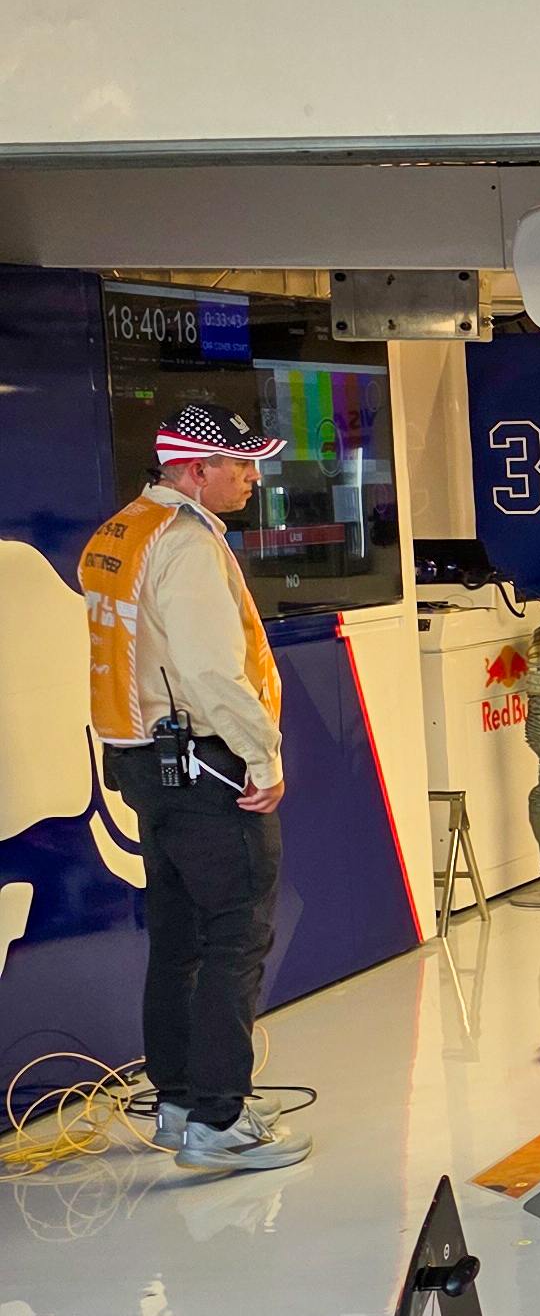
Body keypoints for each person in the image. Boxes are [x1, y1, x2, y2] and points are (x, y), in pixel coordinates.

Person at [78, 401, 309, 1178]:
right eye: (239, 465)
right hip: (206, 765)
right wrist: (264, 755)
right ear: (192, 468)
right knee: (234, 938)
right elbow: (212, 672)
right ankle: (219, 1119)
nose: (251, 477)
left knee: (178, 939)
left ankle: (179, 1099)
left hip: (144, 760)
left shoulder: (123, 531)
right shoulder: (186, 546)